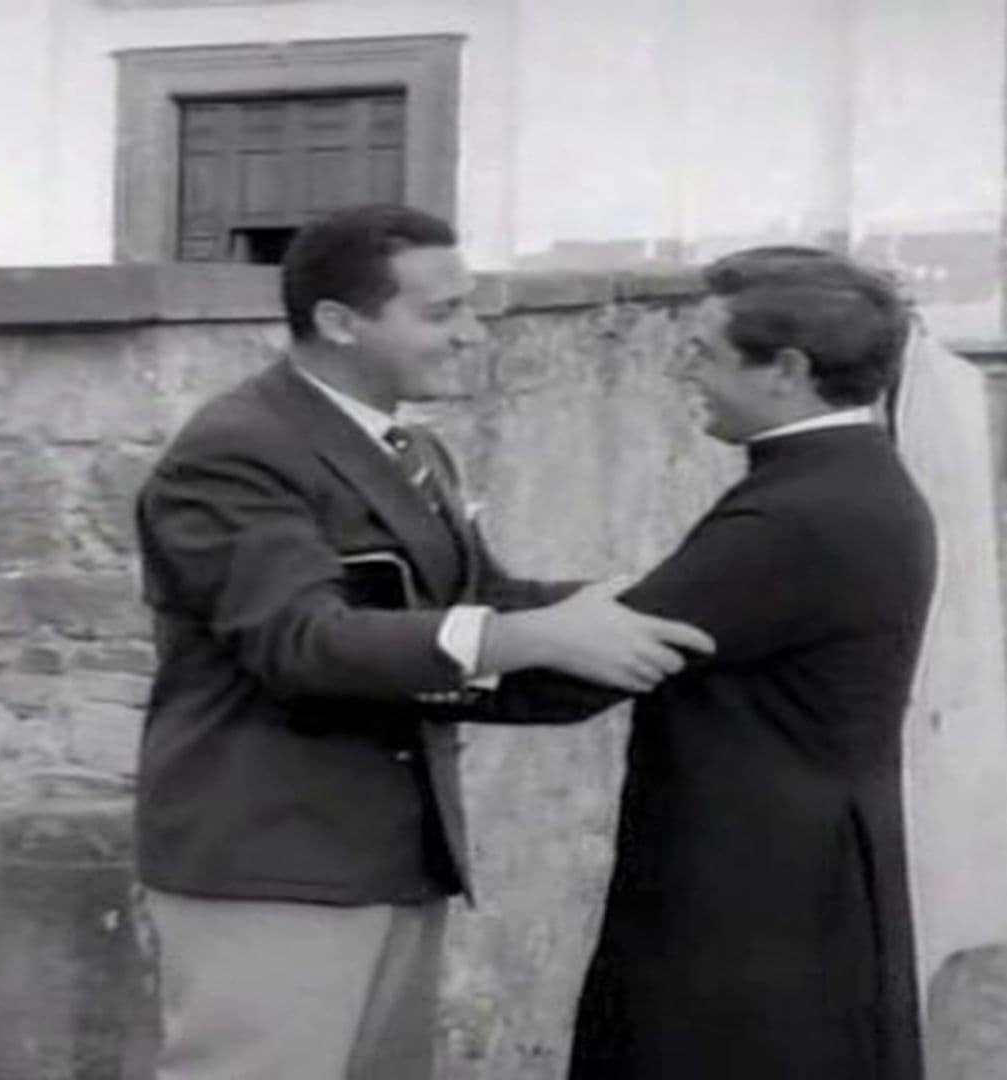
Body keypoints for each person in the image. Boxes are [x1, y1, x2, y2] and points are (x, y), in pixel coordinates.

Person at [131, 204, 714, 1080]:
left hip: (390, 854)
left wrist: (637, 606)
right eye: (441, 313)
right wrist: (532, 635)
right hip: (273, 858)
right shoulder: (237, 451)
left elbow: (476, 606)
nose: (471, 334)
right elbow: (300, 642)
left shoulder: (414, 450)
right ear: (340, 322)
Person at [492, 246, 938, 1079]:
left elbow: (583, 669)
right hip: (793, 886)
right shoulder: (847, 483)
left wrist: (401, 656)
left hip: (753, 911)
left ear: (788, 371)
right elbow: (677, 605)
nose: (684, 371)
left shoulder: (800, 513)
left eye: (704, 352)